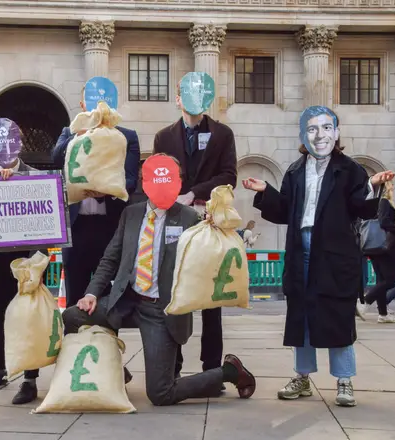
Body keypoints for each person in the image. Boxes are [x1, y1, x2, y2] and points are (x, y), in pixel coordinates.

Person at [62, 153, 256, 406]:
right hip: (126, 300)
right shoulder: (130, 214)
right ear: (145, 183)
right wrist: (90, 294)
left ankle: (229, 371)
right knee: (72, 316)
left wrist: (217, 225)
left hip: (160, 310)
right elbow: (110, 259)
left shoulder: (189, 217)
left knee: (161, 394)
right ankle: (113, 371)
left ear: (178, 182)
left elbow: (211, 251)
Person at [243, 105, 394, 407]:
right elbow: (285, 210)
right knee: (301, 315)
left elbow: (360, 207)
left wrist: (371, 185)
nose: (320, 134)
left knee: (337, 314)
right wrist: (265, 192)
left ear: (336, 133)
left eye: (326, 128)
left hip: (335, 251)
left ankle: (344, 380)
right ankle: (302, 377)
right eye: (312, 129)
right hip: (301, 248)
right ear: (304, 134)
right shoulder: (296, 170)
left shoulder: (349, 169)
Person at [152, 79, 237, 385]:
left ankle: (211, 368)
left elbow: (229, 175)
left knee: (211, 299)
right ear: (178, 99)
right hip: (173, 220)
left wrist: (195, 193)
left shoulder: (222, 134)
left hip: (209, 218)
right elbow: (157, 175)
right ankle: (172, 363)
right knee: (174, 292)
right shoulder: (163, 137)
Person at [51, 84, 140, 309]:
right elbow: (56, 158)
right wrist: (80, 133)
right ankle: (74, 342)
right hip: (76, 228)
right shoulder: (69, 132)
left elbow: (129, 180)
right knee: (74, 298)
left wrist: (105, 191)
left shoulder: (126, 137)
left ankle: (107, 341)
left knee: (108, 299)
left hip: (109, 228)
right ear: (82, 105)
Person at [0, 118, 42, 405]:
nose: (5, 147)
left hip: (25, 259)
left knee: (27, 317)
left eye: (10, 140)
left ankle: (29, 379)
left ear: (20, 142)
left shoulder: (35, 175)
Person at [358, 182, 395, 323]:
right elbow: (384, 222)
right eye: (392, 186)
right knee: (390, 280)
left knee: (381, 280)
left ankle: (383, 314)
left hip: (376, 246)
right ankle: (365, 301)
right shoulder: (384, 202)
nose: (393, 189)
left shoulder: (377, 202)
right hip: (383, 247)